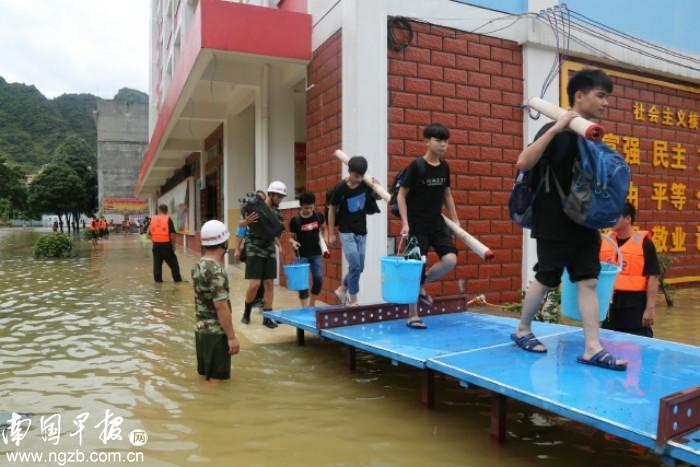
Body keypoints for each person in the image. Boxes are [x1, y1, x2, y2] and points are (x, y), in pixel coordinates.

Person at [512, 68, 627, 371]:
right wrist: (556, 128)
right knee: (547, 276)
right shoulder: (558, 129)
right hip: (553, 219)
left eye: (607, 97)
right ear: (579, 96)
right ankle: (523, 329)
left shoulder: (591, 135)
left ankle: (592, 347)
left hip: (584, 221)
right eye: (601, 96)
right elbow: (523, 162)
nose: (606, 103)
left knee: (588, 280)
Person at [397, 123, 460, 329]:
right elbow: (401, 195)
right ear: (426, 141)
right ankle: (412, 316)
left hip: (436, 223)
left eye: (446, 140)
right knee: (414, 268)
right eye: (438, 140)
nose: (443, 144)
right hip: (416, 225)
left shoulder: (445, 166)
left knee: (450, 259)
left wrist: (455, 220)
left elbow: (447, 194)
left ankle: (422, 286)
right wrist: (405, 223)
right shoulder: (417, 166)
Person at [600, 202, 660, 337]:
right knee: (608, 344)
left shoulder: (645, 243)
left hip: (635, 306)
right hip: (609, 307)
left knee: (638, 348)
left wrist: (650, 308)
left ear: (628, 219)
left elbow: (653, 277)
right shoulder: (605, 242)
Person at [327, 156, 380, 306]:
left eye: (361, 176)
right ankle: (354, 299)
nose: (358, 179)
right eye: (356, 176)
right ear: (349, 171)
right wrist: (331, 233)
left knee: (359, 267)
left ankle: (342, 288)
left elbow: (377, 196)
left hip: (362, 231)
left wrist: (377, 186)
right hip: (346, 232)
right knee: (355, 265)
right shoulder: (340, 188)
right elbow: (331, 209)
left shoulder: (364, 184)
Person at [192, 219, 240, 381]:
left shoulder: (199, 266)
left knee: (205, 377)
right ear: (224, 242)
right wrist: (231, 337)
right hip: (215, 334)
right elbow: (221, 307)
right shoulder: (216, 271)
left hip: (200, 330)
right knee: (216, 383)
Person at [241, 181, 287, 328]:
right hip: (254, 246)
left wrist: (280, 245)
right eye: (278, 196)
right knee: (255, 284)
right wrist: (246, 221)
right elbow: (240, 225)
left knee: (269, 284)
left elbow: (275, 232)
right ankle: (246, 312)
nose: (280, 199)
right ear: (271, 194)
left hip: (269, 248)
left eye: (282, 197)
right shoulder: (255, 206)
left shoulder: (277, 213)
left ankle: (267, 317)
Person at [289, 191, 326, 307]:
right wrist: (293, 243)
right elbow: (290, 238)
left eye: (311, 207)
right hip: (302, 255)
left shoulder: (319, 216)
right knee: (302, 283)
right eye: (306, 208)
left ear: (314, 205)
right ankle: (304, 307)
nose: (309, 210)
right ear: (300, 206)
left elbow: (324, 228)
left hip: (316, 254)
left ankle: (312, 304)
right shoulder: (295, 220)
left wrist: (325, 239)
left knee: (318, 278)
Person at [233, 191, 266, 311]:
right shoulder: (247, 216)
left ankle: (259, 301)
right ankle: (255, 301)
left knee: (263, 278)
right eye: (259, 199)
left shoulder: (266, 214)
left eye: (263, 200)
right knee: (256, 278)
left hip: (264, 248)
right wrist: (236, 250)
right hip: (250, 248)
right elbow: (239, 234)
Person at [148, 204, 183, 283]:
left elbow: (149, 235)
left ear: (159, 210)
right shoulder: (168, 219)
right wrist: (173, 245)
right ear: (166, 211)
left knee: (157, 266)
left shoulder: (153, 219)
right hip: (166, 246)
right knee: (174, 264)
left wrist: (155, 241)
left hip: (156, 246)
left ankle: (158, 282)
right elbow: (172, 234)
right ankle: (177, 281)